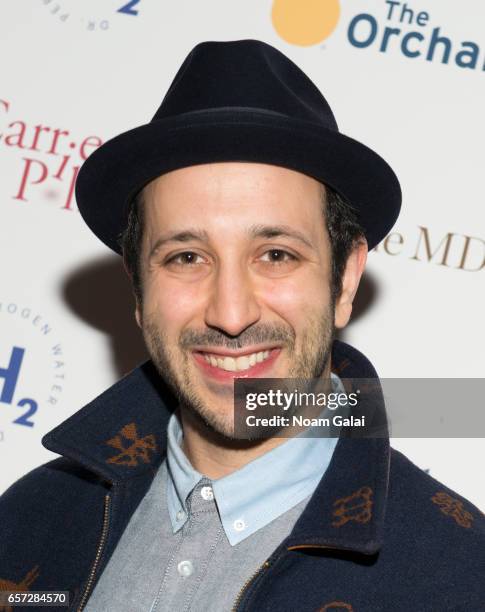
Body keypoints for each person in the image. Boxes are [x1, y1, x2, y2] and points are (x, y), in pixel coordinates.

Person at [0, 39, 483, 612]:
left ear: (346, 278)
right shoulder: (33, 517)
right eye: (186, 257)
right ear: (137, 285)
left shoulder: (460, 578)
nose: (230, 315)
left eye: (276, 254)